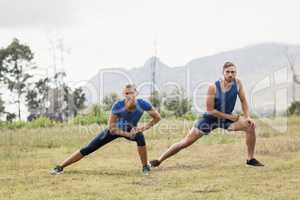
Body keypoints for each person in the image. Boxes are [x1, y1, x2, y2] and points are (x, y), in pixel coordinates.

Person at [150, 61, 264, 168]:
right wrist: (231, 117)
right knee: (185, 142)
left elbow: (244, 101)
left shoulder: (238, 83)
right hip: (209, 120)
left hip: (225, 119)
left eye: (233, 72)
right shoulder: (213, 87)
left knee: (250, 126)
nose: (230, 74)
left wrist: (248, 117)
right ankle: (158, 161)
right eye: (228, 72)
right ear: (223, 73)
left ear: (236, 73)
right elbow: (210, 110)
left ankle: (250, 159)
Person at [51, 84, 161, 175]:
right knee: (89, 148)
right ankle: (60, 167)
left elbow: (157, 118)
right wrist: (128, 135)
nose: (129, 95)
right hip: (115, 128)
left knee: (140, 138)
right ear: (124, 94)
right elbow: (111, 128)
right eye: (126, 93)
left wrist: (141, 129)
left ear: (136, 93)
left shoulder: (143, 104)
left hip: (131, 128)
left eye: (131, 92)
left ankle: (145, 167)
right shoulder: (118, 105)